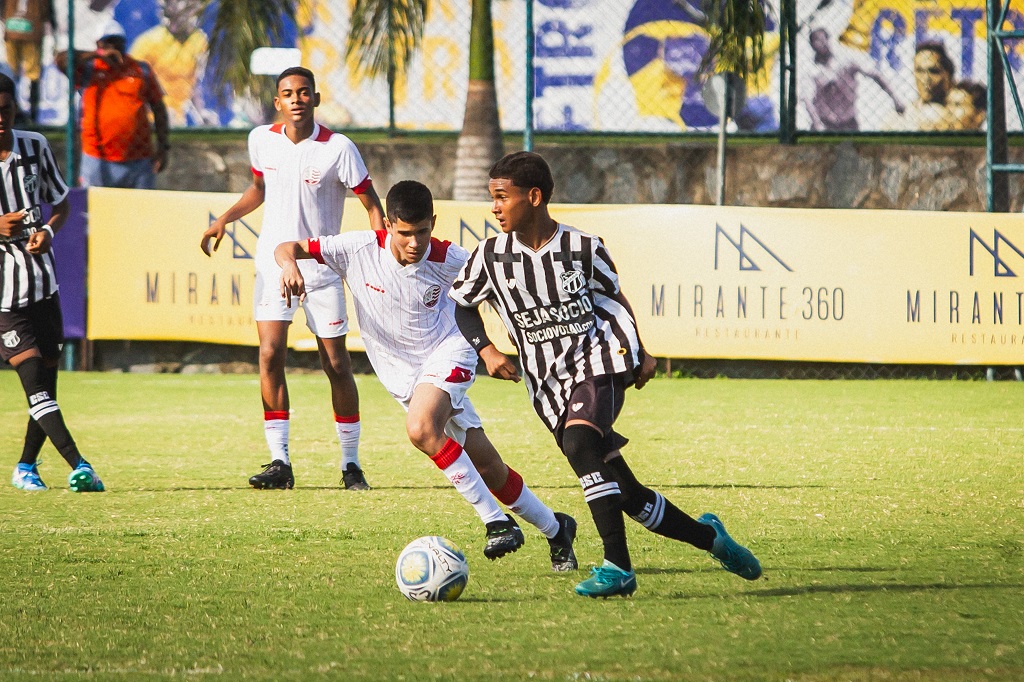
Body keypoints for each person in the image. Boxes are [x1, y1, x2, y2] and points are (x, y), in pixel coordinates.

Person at [449, 151, 762, 598]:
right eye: (491, 198)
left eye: (502, 197)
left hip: (600, 362)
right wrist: (487, 349)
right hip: (547, 385)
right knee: (627, 494)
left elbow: (613, 300)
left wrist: (642, 350)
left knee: (580, 443)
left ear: (533, 197)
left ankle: (617, 567)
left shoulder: (583, 247)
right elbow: (462, 304)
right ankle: (711, 539)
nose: (494, 207)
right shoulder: (490, 256)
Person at [275, 180, 578, 568]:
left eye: (422, 231)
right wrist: (288, 266)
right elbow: (287, 248)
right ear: (387, 225)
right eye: (404, 233)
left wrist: (492, 348)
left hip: (449, 351)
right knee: (488, 467)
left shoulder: (452, 258)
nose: (415, 243)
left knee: (420, 428)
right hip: (403, 376)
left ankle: (496, 522)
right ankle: (556, 529)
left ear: (433, 223)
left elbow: (503, 296)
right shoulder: (356, 249)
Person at [200, 66, 385, 492]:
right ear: (277, 102)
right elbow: (259, 190)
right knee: (269, 356)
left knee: (336, 364)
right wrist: (223, 219)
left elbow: (370, 202)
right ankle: (279, 462)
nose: (296, 99)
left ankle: (351, 465)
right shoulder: (261, 139)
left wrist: (377, 251)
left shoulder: (338, 147)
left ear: (316, 100)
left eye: (304, 93)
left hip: (321, 271)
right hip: (272, 267)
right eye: (288, 93)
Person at [0, 73, 104, 493]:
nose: (0, 120)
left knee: (47, 385)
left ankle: (26, 466)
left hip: (45, 288)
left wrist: (50, 232)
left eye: (5, 111)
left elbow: (60, 204)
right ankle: (80, 465)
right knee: (34, 385)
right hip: (5, 298)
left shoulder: (34, 146)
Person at [54, 20, 170, 188]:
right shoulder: (88, 69)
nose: (114, 48)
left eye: (117, 43)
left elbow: (159, 109)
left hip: (139, 160)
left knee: (139, 212)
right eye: (108, 43)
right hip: (97, 160)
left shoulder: (140, 69)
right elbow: (61, 60)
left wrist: (163, 148)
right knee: (94, 213)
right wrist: (96, 55)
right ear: (98, 45)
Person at [130, 0, 218, 126]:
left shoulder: (199, 40)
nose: (174, 23)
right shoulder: (147, 43)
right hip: (146, 124)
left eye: (185, 14)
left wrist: (201, 114)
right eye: (171, 17)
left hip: (177, 121)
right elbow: (130, 88)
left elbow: (194, 84)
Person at [803, 27, 904, 131]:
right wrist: (817, 123)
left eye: (823, 39)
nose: (822, 43)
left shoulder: (846, 59)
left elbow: (875, 75)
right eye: (817, 41)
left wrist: (895, 99)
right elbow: (807, 99)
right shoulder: (812, 70)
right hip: (825, 122)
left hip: (849, 122)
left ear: (829, 39)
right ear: (812, 45)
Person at [1, 0, 53, 123]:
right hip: (31, 30)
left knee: (11, 71)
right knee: (31, 72)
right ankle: (29, 114)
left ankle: (22, 113)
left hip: (13, 28)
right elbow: (47, 11)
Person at [883, 42, 955, 131]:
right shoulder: (901, 116)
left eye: (933, 71)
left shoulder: (959, 113)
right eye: (920, 71)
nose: (926, 78)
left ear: (947, 76)